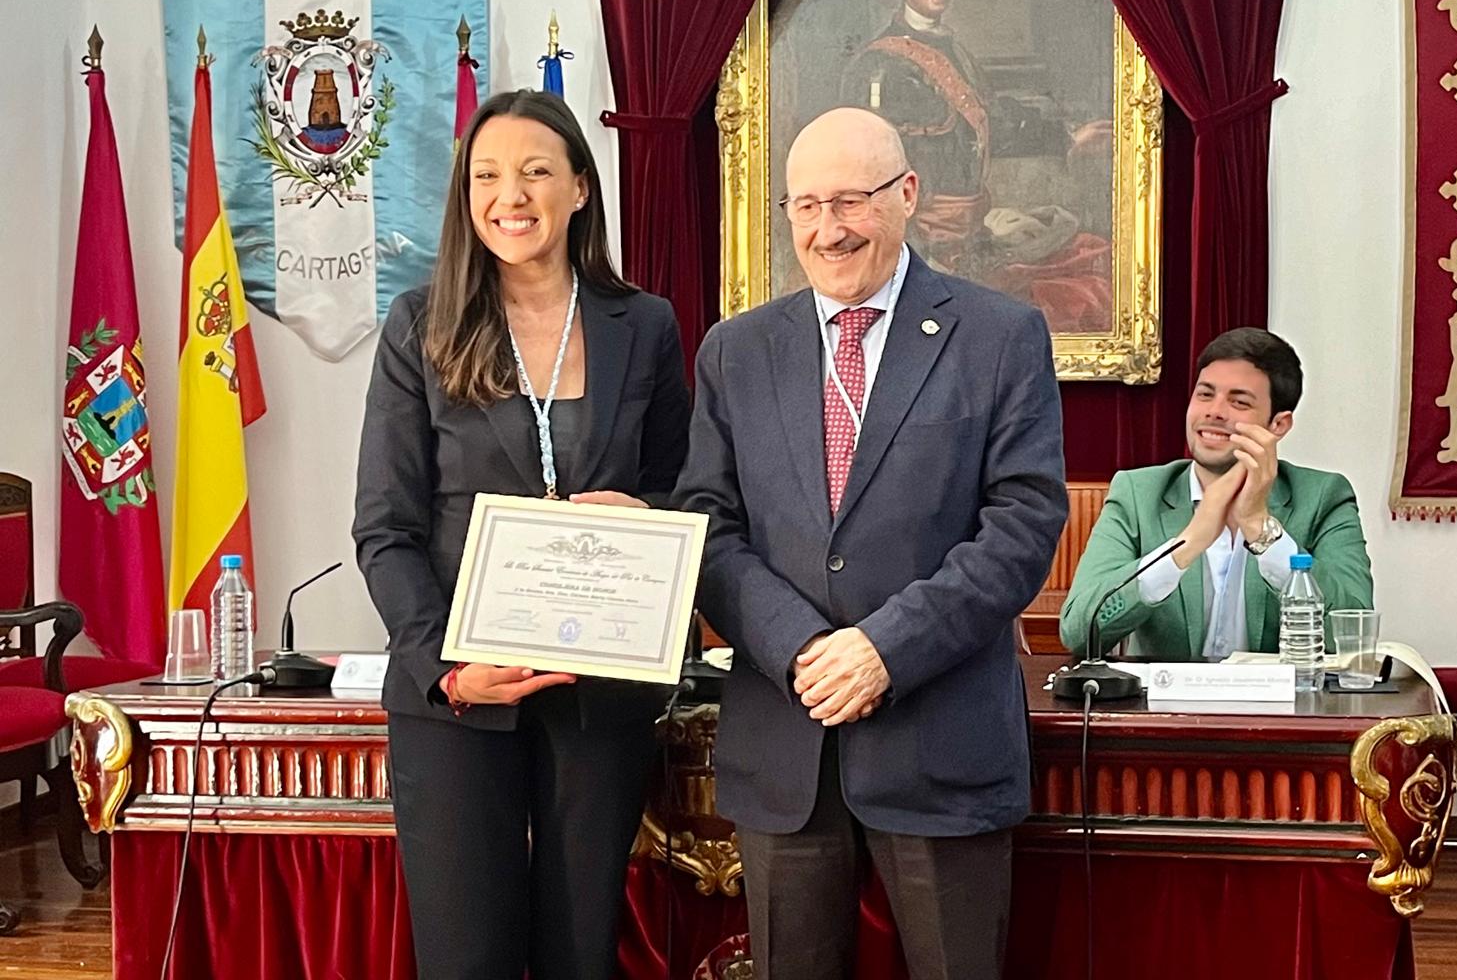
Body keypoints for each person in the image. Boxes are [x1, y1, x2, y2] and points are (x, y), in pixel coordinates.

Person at [677, 106, 1067, 980]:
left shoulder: (999, 337)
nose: (828, 228)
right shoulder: (735, 351)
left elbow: (1022, 526)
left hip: (940, 741)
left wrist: (885, 650)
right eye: (806, 205)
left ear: (907, 196)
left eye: (851, 201)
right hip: (789, 743)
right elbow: (708, 526)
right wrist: (806, 648)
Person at [353, 90, 690, 980]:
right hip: (458, 700)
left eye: (538, 171)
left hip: (600, 689)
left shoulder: (644, 325)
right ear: (467, 197)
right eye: (489, 176)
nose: (513, 194)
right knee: (468, 958)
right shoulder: (420, 327)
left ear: (580, 187)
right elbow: (386, 527)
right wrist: (449, 670)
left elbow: (684, 492)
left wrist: (650, 518)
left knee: (583, 955)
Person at [840, 0, 1111, 328]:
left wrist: (1068, 136)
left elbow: (990, 121)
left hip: (970, 229)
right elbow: (874, 171)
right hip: (924, 239)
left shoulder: (951, 48)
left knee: (1091, 254)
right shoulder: (881, 67)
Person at [1060, 327, 1374, 662]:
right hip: (1165, 711)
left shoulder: (1324, 497)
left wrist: (1259, 526)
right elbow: (1080, 631)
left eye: (1239, 402)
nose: (1214, 412)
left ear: (1278, 425)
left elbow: (1351, 637)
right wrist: (1190, 541)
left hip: (1279, 711)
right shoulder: (1138, 495)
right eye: (1205, 395)